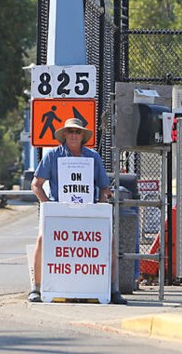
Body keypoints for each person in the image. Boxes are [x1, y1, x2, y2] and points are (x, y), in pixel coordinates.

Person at [28, 117, 119, 303]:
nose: (74, 135)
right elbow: (36, 185)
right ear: (64, 135)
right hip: (59, 209)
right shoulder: (52, 156)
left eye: (78, 132)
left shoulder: (93, 157)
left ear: (83, 136)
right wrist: (48, 205)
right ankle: (36, 288)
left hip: (87, 209)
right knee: (42, 239)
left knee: (110, 240)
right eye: (70, 131)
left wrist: (100, 204)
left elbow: (104, 187)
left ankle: (112, 289)